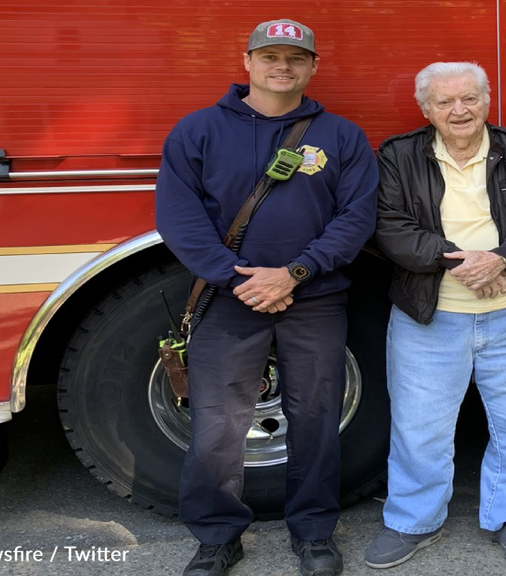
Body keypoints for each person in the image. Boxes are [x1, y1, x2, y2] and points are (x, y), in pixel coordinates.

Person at [154, 18, 378, 576]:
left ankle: (314, 533)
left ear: (313, 68)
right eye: (272, 56)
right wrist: (238, 279)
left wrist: (295, 273)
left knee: (316, 418)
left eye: (296, 58)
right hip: (229, 300)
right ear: (248, 61)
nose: (284, 66)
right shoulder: (198, 130)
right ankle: (216, 536)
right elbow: (179, 217)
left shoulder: (342, 136)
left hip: (317, 298)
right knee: (217, 425)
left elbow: (357, 217)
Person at [367, 62, 506, 574]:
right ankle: (413, 520)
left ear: (486, 100)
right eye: (444, 102)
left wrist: (501, 257)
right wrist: (464, 261)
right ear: (426, 109)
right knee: (419, 426)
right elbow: (387, 228)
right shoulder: (397, 156)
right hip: (428, 315)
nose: (458, 110)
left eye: (469, 99)